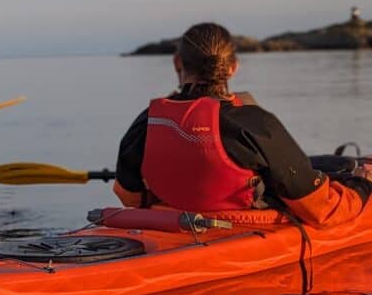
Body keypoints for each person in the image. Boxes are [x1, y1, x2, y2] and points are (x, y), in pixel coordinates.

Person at [114, 21, 372, 227]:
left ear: (177, 62)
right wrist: (361, 186)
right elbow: (323, 211)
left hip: (173, 229)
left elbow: (129, 196)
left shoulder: (148, 121)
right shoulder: (254, 124)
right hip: (238, 230)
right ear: (233, 67)